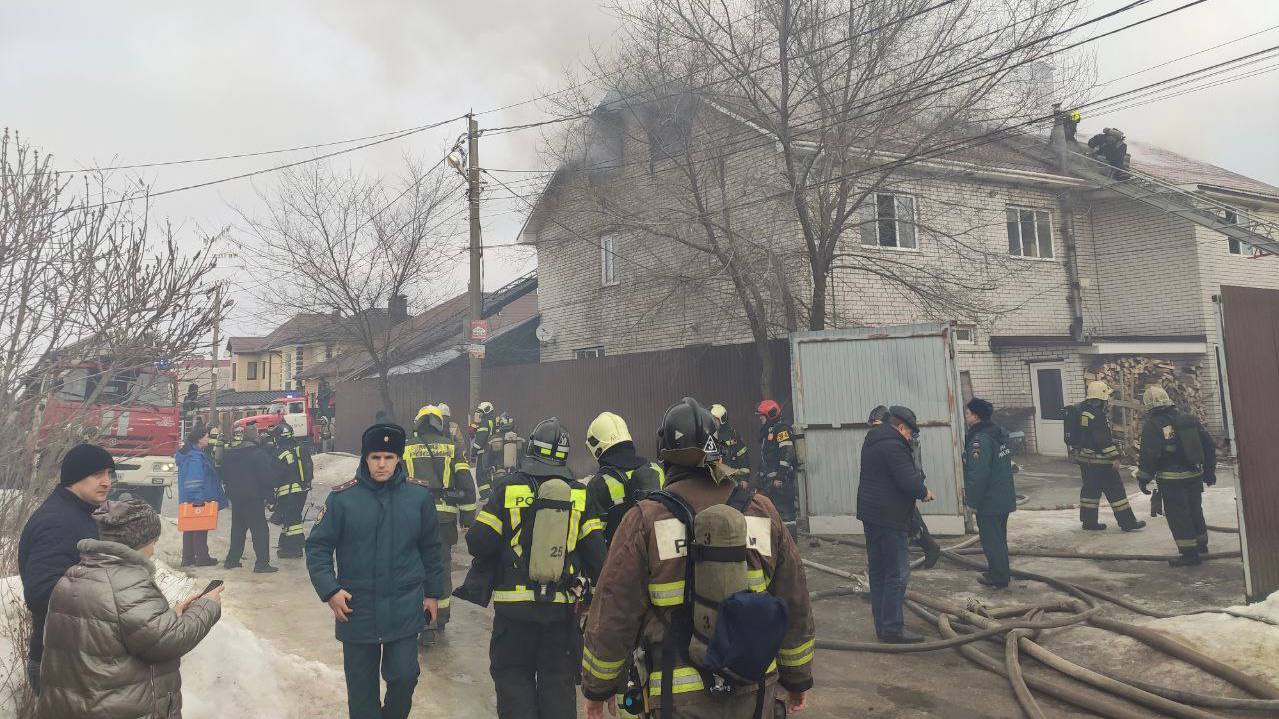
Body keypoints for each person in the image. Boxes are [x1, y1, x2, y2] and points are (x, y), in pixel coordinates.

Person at [581, 397, 815, 719]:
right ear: (716, 451)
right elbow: (794, 600)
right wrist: (798, 678)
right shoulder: (762, 510)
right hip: (756, 694)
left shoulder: (645, 520)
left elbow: (614, 611)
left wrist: (598, 688)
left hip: (676, 701)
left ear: (665, 455)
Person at [464, 417, 606, 718]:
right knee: (558, 690)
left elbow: (477, 542)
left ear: (531, 449)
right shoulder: (580, 495)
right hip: (560, 616)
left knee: (514, 684)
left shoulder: (507, 489)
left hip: (513, 616)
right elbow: (598, 559)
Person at [306, 423, 445, 719]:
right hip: (357, 609)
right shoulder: (343, 500)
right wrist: (330, 590)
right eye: (375, 457)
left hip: (404, 606)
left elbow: (432, 550)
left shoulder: (418, 498)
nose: (381, 464)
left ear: (398, 459)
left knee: (405, 676)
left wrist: (433, 594)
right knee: (361, 693)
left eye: (388, 457)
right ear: (365, 459)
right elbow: (317, 548)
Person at [36, 499, 222, 719]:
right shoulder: (128, 582)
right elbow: (167, 641)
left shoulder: (74, 575)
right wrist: (207, 605)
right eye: (153, 541)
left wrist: (174, 614)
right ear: (139, 541)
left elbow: (123, 631)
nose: (153, 549)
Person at [18, 444, 113, 695]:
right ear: (75, 477)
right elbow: (40, 594)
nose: (107, 482)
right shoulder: (59, 522)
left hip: (69, 656)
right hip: (59, 662)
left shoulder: (76, 513)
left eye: (109, 474)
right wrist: (109, 602)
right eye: (98, 474)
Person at [856, 406, 934, 643]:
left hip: (871, 515)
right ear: (901, 427)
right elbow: (907, 480)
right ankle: (892, 628)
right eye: (910, 432)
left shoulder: (873, 440)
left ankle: (883, 626)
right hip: (890, 517)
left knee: (879, 571)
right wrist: (924, 492)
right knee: (897, 573)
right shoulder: (894, 445)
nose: (911, 437)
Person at [404, 404, 478, 645]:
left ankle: (418, 618)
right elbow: (467, 486)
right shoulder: (452, 447)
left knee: (413, 567)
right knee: (440, 568)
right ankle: (440, 616)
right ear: (440, 423)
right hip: (443, 520)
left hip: (412, 517)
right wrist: (467, 517)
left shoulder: (406, 447)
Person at [1136, 386, 1217, 567]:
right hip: (1194, 475)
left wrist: (1143, 478)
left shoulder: (1153, 425)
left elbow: (1149, 454)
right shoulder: (1188, 418)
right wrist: (1210, 471)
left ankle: (1189, 554)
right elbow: (1208, 445)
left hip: (1171, 479)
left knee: (1179, 515)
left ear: (1148, 406)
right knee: (1195, 509)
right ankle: (1201, 544)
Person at [1066, 381, 1146, 532]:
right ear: (1102, 398)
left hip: (1086, 460)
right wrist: (1115, 457)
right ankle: (1128, 523)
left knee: (1090, 491)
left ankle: (1089, 522)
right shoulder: (1098, 416)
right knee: (1116, 491)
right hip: (1100, 462)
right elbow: (1102, 440)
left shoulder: (1083, 412)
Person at [869, 406, 941, 569]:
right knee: (907, 518)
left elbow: (911, 464)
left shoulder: (905, 438)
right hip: (898, 482)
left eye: (877, 425)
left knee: (911, 517)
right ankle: (924, 545)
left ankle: (930, 547)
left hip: (908, 479)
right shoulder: (886, 438)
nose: (875, 430)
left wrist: (917, 486)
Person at [584, 411, 665, 545]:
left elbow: (595, 541)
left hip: (620, 562)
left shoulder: (598, 484)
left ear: (597, 446)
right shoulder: (656, 470)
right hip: (659, 558)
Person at [962, 398, 1017, 589]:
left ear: (976, 416)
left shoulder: (980, 440)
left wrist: (972, 502)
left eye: (967, 413)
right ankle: (998, 571)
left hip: (989, 500)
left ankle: (999, 577)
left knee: (991, 540)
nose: (966, 416)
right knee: (999, 538)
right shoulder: (998, 433)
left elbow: (978, 474)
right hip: (1003, 497)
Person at [220, 428, 279, 573]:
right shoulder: (259, 454)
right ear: (256, 439)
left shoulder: (230, 454)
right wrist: (271, 496)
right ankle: (262, 564)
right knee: (260, 531)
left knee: (238, 529)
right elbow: (266, 478)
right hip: (253, 498)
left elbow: (223, 474)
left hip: (236, 497)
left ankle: (232, 560)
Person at [175, 426, 224, 567]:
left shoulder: (190, 454)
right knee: (200, 528)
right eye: (206, 437)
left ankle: (188, 557)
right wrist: (199, 500)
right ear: (199, 440)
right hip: (198, 498)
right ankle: (202, 557)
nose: (208, 439)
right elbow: (194, 481)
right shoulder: (195, 458)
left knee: (190, 528)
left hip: (190, 498)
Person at [271, 422, 313, 559]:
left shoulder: (280, 453)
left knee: (292, 521)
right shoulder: (300, 448)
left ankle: (294, 550)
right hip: (302, 490)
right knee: (291, 518)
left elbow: (276, 475)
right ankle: (286, 545)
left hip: (288, 492)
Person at [755, 399, 798, 522]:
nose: (760, 419)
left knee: (785, 515)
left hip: (781, 483)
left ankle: (789, 540)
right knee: (770, 514)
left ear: (770, 415)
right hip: (770, 483)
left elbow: (787, 453)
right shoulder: (770, 431)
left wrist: (780, 477)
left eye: (762, 416)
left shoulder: (782, 430)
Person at [709, 403, 750, 477]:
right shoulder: (707, 435)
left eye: (714, 420)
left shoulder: (733, 435)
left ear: (722, 419)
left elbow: (743, 456)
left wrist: (744, 479)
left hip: (732, 478)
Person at [471, 401, 498, 501]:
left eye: (481, 412)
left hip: (483, 452)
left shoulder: (485, 422)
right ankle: (490, 492)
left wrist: (474, 450)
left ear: (486, 411)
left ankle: (485, 495)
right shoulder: (494, 422)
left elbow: (480, 439)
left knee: (480, 473)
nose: (480, 415)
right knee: (487, 473)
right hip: (492, 451)